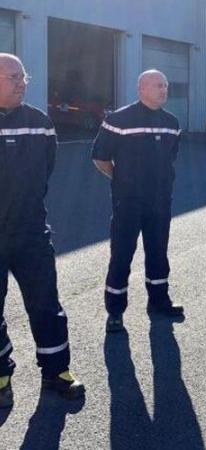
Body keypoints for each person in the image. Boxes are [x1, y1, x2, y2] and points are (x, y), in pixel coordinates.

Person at [0, 53, 85, 407]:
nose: (23, 82)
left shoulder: (40, 122)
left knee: (46, 303)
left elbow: (46, 168)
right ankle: (1, 373)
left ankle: (56, 371)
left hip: (31, 231)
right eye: (13, 77)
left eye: (24, 76)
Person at [92, 69, 184, 334]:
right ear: (141, 88)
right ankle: (115, 312)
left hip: (160, 201)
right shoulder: (118, 120)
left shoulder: (172, 122)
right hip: (128, 202)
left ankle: (159, 302)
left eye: (166, 85)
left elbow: (170, 157)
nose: (164, 90)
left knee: (158, 253)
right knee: (121, 255)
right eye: (158, 85)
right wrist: (120, 179)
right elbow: (100, 157)